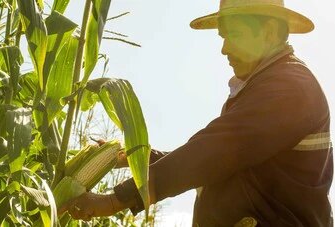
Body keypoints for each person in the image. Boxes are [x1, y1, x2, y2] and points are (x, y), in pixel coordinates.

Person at [59, 0, 333, 226]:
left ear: (270, 32)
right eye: (223, 37)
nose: (224, 48)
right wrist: (134, 158)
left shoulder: (289, 87)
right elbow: (219, 161)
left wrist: (114, 200)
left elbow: (210, 153)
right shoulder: (266, 86)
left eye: (234, 35)